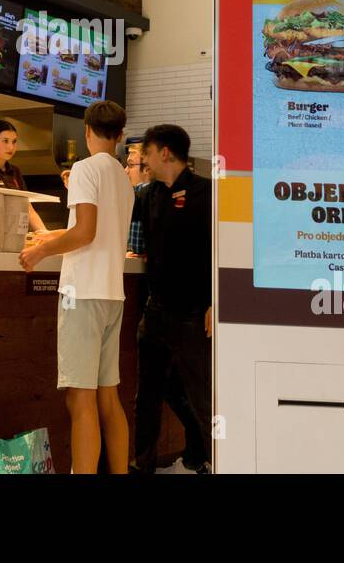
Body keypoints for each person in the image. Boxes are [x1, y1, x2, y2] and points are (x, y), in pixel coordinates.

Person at [19, 100, 132, 473]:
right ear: (119, 136)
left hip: (81, 294)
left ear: (86, 131)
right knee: (107, 398)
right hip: (112, 295)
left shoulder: (85, 168)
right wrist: (49, 237)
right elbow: (93, 230)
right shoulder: (122, 176)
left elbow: (85, 232)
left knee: (79, 400)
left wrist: (42, 253)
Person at [122, 142, 207, 474]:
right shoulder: (146, 196)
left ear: (167, 154)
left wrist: (215, 302)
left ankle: (214, 456)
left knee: (202, 394)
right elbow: (138, 245)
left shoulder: (208, 193)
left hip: (195, 313)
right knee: (148, 396)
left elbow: (222, 249)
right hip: (156, 310)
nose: (143, 161)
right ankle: (142, 465)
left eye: (149, 153)